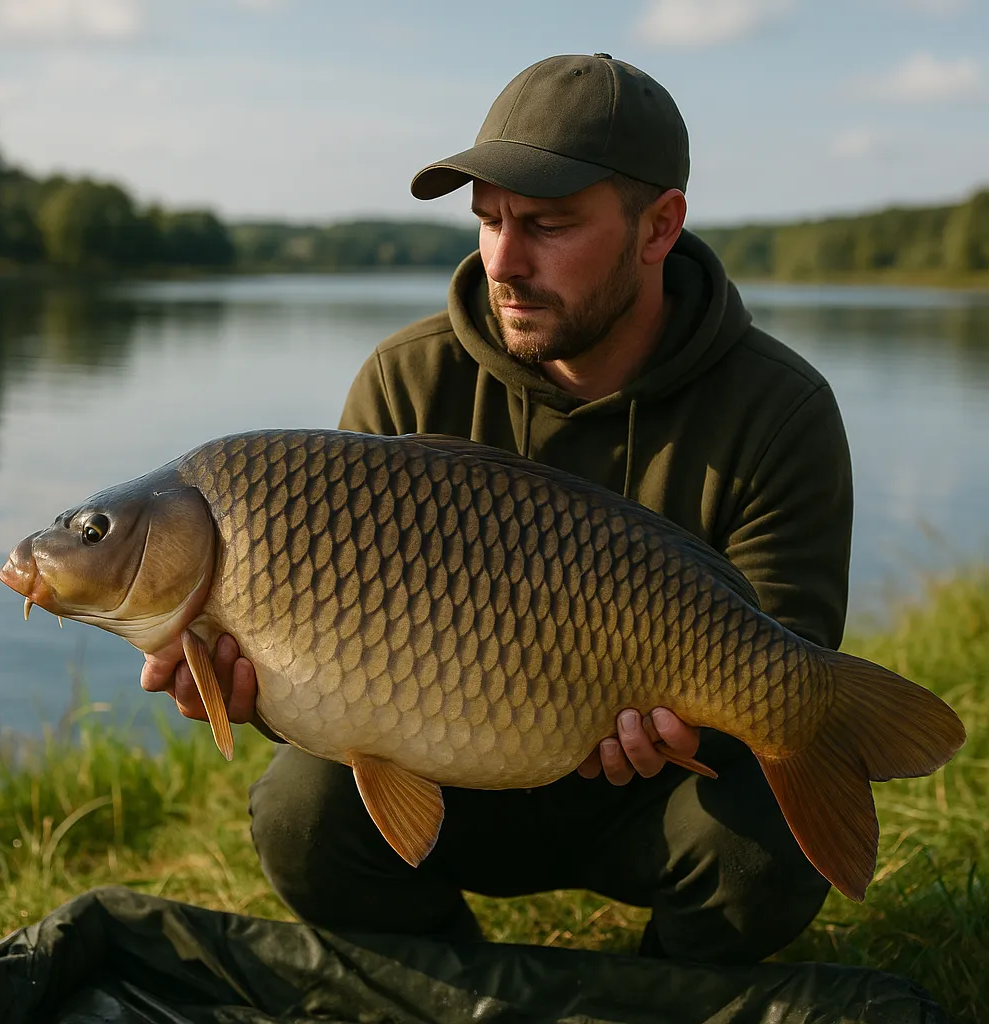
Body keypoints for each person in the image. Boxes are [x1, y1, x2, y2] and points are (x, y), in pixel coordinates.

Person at [141, 53, 852, 964]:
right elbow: (330, 651)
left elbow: (787, 652)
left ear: (659, 226)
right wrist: (262, 693)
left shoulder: (781, 409)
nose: (504, 262)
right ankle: (456, 990)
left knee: (766, 846)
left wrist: (692, 721)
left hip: (657, 789)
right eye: (489, 220)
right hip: (446, 769)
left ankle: (656, 994)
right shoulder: (407, 379)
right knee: (298, 811)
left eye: (549, 225)